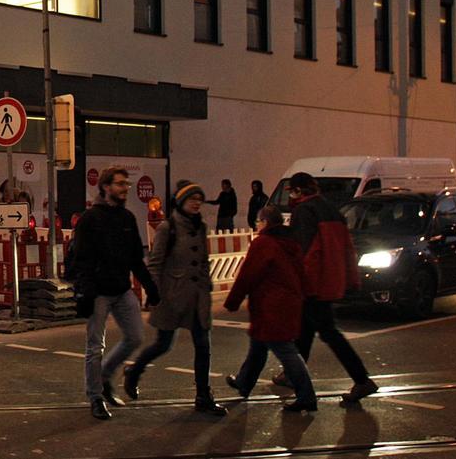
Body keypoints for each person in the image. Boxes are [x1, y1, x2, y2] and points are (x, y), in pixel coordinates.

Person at [67, 166, 159, 421]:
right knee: (95, 346)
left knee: (136, 336)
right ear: (106, 187)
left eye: (127, 185)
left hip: (121, 288)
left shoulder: (127, 218)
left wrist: (151, 289)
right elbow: (81, 260)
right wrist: (86, 291)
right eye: (120, 184)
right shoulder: (90, 219)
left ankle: (106, 374)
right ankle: (95, 396)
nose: (125, 189)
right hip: (98, 292)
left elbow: (136, 260)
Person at [124, 181, 224, 416]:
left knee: (203, 345)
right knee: (163, 344)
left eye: (199, 200)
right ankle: (135, 370)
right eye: (192, 199)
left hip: (198, 296)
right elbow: (156, 263)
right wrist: (154, 293)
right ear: (180, 202)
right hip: (173, 294)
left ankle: (203, 395)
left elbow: (204, 259)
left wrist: (206, 283)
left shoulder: (201, 227)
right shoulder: (167, 228)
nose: (197, 203)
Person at [284, 171, 377, 403]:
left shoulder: (304, 211)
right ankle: (293, 375)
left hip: (314, 283)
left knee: (328, 332)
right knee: (304, 332)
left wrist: (298, 282)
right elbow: (347, 247)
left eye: (292, 191)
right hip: (331, 279)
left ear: (298, 190)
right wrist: (351, 278)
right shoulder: (332, 209)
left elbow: (303, 250)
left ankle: (362, 379)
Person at [224, 205, 319, 411]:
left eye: (258, 221)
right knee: (258, 345)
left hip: (270, 305)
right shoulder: (290, 242)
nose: (257, 225)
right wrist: (308, 295)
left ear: (265, 222)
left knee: (285, 349)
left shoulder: (263, 244)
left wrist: (233, 300)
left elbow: (247, 275)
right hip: (287, 303)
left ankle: (307, 395)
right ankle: (243, 382)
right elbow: (302, 272)